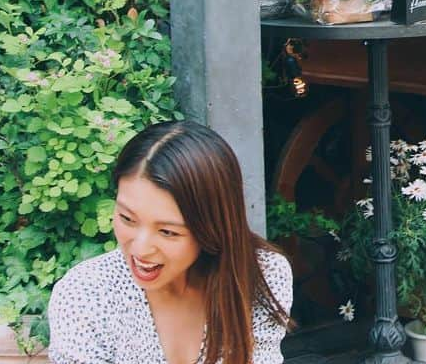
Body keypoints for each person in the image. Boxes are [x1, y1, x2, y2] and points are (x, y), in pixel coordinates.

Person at [48, 121, 293, 364]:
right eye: (126, 218)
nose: (140, 248)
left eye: (167, 232)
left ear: (212, 228)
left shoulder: (261, 275)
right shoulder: (85, 294)